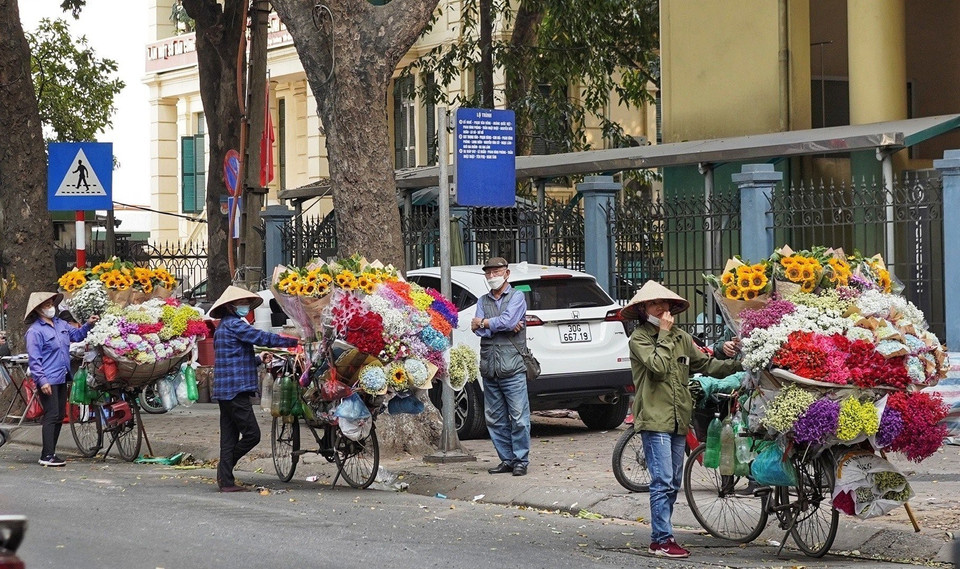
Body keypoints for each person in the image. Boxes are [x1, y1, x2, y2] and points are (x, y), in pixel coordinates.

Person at [621, 281, 742, 558]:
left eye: (664, 303)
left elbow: (706, 365)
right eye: (654, 304)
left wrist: (740, 364)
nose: (660, 308)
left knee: (674, 481)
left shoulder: (681, 338)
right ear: (643, 310)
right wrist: (664, 334)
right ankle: (662, 539)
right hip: (655, 418)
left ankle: (661, 537)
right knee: (662, 480)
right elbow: (658, 367)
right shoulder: (639, 339)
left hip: (679, 418)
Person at [209, 286, 298, 492]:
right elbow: (262, 338)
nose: (246, 307)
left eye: (247, 304)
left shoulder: (224, 327)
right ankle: (224, 470)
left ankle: (226, 481)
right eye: (242, 304)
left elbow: (234, 356)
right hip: (235, 389)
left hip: (225, 390)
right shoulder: (234, 325)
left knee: (229, 438)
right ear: (230, 306)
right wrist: (292, 341)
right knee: (252, 435)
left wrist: (258, 358)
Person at [471, 257, 530, 477]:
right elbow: (478, 328)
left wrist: (487, 322)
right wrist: (499, 324)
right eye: (489, 273)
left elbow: (506, 321)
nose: (492, 276)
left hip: (512, 366)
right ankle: (507, 459)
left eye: (496, 272)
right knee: (495, 419)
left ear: (507, 273)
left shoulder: (517, 296)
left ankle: (521, 460)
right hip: (490, 367)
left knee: (519, 418)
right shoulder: (482, 300)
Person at [24, 292, 98, 467]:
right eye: (47, 304)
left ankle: (51, 452)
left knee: (59, 415)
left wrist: (88, 324)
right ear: (38, 309)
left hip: (62, 375)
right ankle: (47, 454)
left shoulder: (60, 324)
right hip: (48, 378)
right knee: (51, 414)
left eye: (52, 303)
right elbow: (34, 360)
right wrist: (42, 381)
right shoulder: (35, 331)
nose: (51, 307)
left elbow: (78, 336)